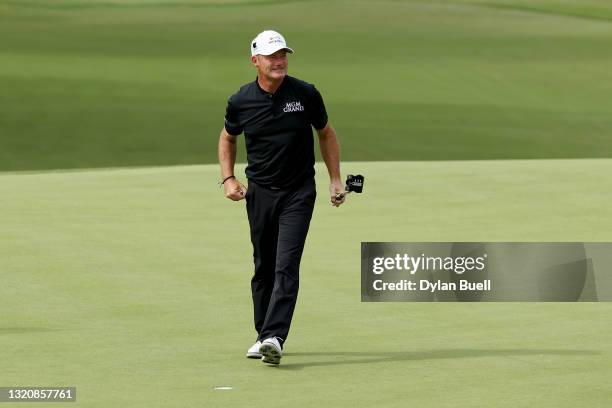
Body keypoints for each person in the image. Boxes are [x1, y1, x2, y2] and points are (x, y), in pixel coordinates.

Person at [218, 30, 345, 365]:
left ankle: (275, 335)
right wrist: (228, 178)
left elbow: (326, 134)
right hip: (259, 192)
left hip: (298, 191)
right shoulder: (241, 100)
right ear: (255, 61)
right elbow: (228, 137)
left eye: (283, 55)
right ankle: (263, 336)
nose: (279, 61)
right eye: (272, 56)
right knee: (264, 266)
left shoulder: (305, 94)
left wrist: (335, 179)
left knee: (286, 264)